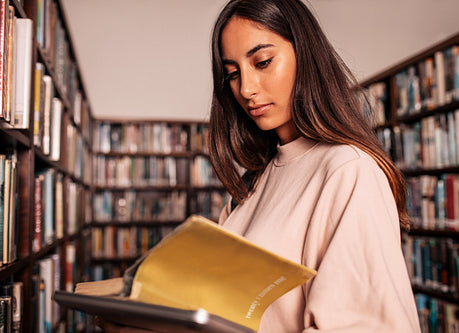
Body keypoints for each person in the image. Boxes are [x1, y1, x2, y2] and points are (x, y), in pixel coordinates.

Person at [98, 0, 420, 332]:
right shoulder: (252, 183)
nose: (247, 89)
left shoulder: (349, 171)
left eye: (263, 62)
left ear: (305, 55)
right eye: (233, 74)